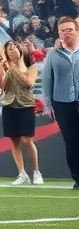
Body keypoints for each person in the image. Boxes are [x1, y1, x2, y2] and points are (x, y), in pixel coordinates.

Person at [40, 16, 79, 189]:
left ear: (77, 31)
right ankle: (77, 177)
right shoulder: (53, 54)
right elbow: (47, 80)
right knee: (71, 142)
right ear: (59, 33)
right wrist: (47, 105)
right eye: (63, 30)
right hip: (63, 103)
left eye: (70, 29)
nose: (67, 33)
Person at [0, 40, 42, 185]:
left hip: (26, 105)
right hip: (9, 105)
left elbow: (28, 83)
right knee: (14, 140)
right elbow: (1, 85)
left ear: (20, 49)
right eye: (9, 48)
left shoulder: (30, 66)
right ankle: (22, 173)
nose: (13, 50)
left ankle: (36, 171)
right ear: (5, 53)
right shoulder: (3, 66)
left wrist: (13, 69)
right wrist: (2, 67)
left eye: (15, 47)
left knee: (28, 140)